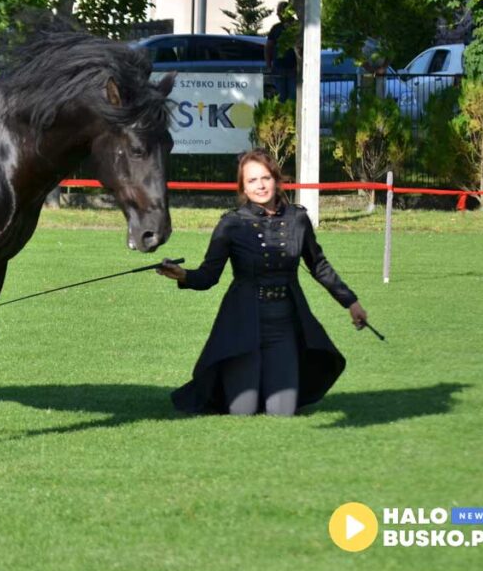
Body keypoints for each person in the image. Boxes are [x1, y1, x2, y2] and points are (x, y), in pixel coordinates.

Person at [156, 149, 368, 416]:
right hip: (241, 324)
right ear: (243, 187)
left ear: (276, 179)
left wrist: (351, 302)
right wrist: (184, 275)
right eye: (252, 180)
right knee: (242, 411)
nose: (260, 185)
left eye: (265, 178)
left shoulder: (298, 219)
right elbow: (209, 275)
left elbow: (319, 266)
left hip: (285, 325)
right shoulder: (231, 223)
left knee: (282, 412)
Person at [265, 2, 297, 100]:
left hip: (294, 69)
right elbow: (268, 47)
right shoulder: (276, 28)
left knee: (293, 96)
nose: (277, 14)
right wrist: (269, 65)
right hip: (279, 68)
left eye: (279, 12)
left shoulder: (297, 26)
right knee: (280, 97)